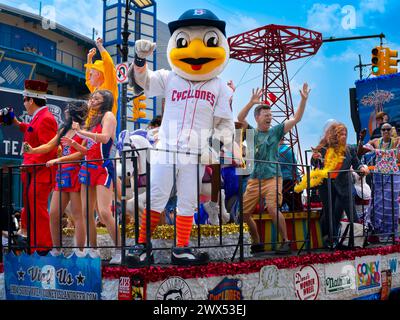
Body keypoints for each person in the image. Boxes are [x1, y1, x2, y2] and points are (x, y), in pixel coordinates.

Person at [237, 83, 311, 255]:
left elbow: (296, 118)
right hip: (255, 178)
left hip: (273, 177)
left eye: (270, 115)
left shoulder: (277, 131)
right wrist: (250, 102)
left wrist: (303, 100)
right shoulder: (251, 133)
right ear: (257, 117)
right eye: (265, 115)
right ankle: (257, 242)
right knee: (244, 213)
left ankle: (285, 241)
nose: (269, 117)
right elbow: (240, 118)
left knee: (272, 208)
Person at [23, 102, 88, 256]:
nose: (65, 112)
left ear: (74, 112)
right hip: (62, 173)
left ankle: (80, 252)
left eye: (67, 110)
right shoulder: (63, 129)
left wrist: (59, 160)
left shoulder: (85, 130)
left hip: (75, 172)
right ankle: (56, 250)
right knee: (53, 213)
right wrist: (33, 150)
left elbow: (81, 154)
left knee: (77, 214)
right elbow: (49, 145)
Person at [7, 80, 58, 253]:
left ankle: (42, 248)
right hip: (33, 172)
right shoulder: (40, 117)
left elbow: (49, 149)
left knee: (37, 208)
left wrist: (29, 165)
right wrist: (16, 122)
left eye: (24, 100)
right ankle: (32, 245)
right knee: (30, 207)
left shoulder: (46, 119)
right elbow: (31, 130)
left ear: (31, 100)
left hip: (40, 172)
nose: (24, 103)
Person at [72, 90, 121, 264]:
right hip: (88, 167)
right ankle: (92, 249)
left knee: (104, 212)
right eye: (92, 97)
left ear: (105, 101)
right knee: (86, 212)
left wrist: (82, 133)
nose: (92, 100)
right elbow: (88, 149)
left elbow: (105, 138)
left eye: (97, 98)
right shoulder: (92, 119)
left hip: (102, 167)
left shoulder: (108, 116)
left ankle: (119, 250)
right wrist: (75, 142)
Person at [309, 123, 369, 245]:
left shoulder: (350, 149)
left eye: (345, 134)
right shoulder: (323, 148)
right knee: (330, 213)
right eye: (341, 134)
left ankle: (358, 240)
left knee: (351, 212)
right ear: (333, 135)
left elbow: (357, 163)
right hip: (326, 186)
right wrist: (315, 158)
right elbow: (314, 163)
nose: (344, 136)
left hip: (345, 184)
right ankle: (332, 240)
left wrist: (362, 168)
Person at [366, 122, 400, 240]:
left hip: (393, 176)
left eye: (388, 129)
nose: (386, 131)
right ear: (380, 131)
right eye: (383, 129)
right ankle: (376, 230)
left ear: (391, 130)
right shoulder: (376, 141)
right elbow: (364, 147)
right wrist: (367, 146)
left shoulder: (396, 141)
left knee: (392, 204)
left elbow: (395, 151)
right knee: (378, 203)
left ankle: (392, 232)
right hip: (379, 175)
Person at [85, 38, 119, 119]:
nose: (89, 76)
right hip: (93, 128)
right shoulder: (95, 88)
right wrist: (89, 59)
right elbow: (87, 79)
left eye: (91, 74)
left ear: (98, 74)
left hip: (103, 128)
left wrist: (99, 46)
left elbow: (109, 64)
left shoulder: (108, 86)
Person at [278, 138, 302, 212]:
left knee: (279, 203)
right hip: (290, 179)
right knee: (295, 205)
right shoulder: (287, 150)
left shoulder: (281, 151)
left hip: (285, 180)